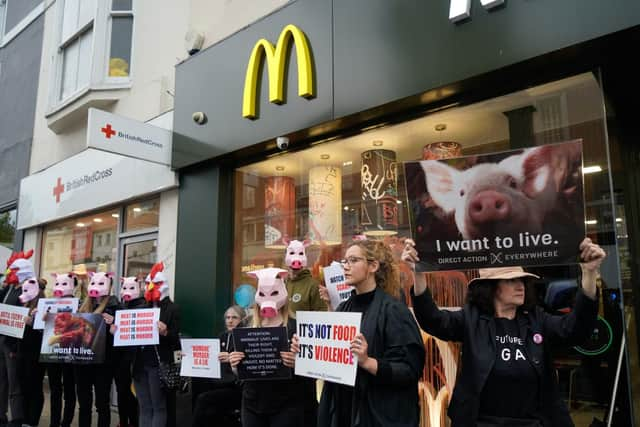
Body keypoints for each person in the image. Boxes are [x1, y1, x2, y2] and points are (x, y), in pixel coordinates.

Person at [402, 237, 605, 427]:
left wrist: (589, 273)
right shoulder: (472, 320)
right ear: (491, 287)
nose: (520, 286)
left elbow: (575, 330)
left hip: (533, 422)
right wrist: (418, 273)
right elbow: (433, 319)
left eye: (522, 281)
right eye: (511, 280)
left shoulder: (536, 319)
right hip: (481, 422)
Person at [317, 240, 426, 427]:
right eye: (345, 261)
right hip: (345, 412)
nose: (346, 267)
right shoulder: (343, 308)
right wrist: (305, 355)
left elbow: (409, 369)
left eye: (353, 260)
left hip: (379, 415)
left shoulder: (393, 310)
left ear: (373, 266)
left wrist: (367, 362)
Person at [229, 267, 307, 427]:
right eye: (263, 294)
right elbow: (239, 371)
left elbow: (310, 370)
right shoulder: (245, 325)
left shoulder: (296, 327)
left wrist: (297, 363)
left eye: (274, 293)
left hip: (287, 404)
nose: (268, 299)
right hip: (252, 403)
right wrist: (235, 365)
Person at [133, 262, 181, 427]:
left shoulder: (173, 309)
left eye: (156, 283)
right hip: (140, 364)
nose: (151, 286)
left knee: (158, 406)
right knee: (144, 406)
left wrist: (166, 332)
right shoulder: (141, 308)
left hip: (158, 364)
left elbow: (176, 338)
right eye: (148, 284)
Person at [75, 272, 120, 427]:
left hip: (103, 362)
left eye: (101, 284)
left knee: (102, 403)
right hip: (83, 361)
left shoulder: (115, 306)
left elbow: (122, 336)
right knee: (84, 403)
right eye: (93, 283)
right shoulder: (82, 305)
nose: (96, 288)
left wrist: (115, 326)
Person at [191, 305, 244, 427]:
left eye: (234, 317)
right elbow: (209, 356)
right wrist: (190, 356)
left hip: (236, 385)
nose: (230, 321)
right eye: (228, 317)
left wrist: (231, 358)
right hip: (220, 382)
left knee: (204, 399)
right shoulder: (222, 336)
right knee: (198, 385)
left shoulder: (243, 338)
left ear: (242, 320)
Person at [0, 249, 35, 427]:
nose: (9, 272)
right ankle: (1, 415)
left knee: (14, 383)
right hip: (2, 339)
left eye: (12, 270)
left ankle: (17, 418)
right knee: (2, 380)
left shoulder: (26, 290)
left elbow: (25, 316)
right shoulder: (8, 289)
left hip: (14, 343)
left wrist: (15, 346)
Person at [112, 276, 146, 427]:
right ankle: (123, 421)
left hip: (136, 358)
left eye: (131, 288)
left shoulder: (144, 307)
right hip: (120, 357)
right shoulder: (119, 307)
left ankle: (134, 422)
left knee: (134, 393)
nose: (126, 291)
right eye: (124, 287)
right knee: (122, 391)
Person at [46, 273, 79, 427]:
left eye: (64, 284)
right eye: (58, 283)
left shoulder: (79, 305)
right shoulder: (49, 304)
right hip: (53, 351)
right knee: (55, 389)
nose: (59, 287)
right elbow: (43, 330)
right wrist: (42, 319)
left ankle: (66, 422)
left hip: (70, 352)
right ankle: (54, 422)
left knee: (69, 389)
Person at [18, 278, 47, 427]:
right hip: (23, 352)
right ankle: (25, 419)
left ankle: (32, 420)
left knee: (34, 386)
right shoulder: (25, 305)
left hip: (36, 354)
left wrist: (33, 322)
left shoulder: (44, 307)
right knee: (24, 385)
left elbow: (46, 331)